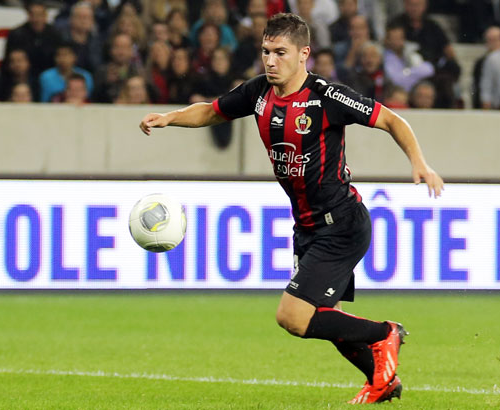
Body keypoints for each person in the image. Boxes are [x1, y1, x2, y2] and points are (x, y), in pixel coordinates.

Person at [139, 13, 443, 404]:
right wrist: (170, 118)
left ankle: (385, 333)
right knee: (327, 318)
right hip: (308, 227)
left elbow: (390, 119)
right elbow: (213, 110)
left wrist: (419, 163)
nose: (270, 60)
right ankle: (382, 380)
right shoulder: (258, 93)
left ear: (303, 54)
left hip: (341, 224)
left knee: (293, 316)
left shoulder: (327, 96)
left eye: (280, 52)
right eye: (266, 51)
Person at [5, 1, 63, 78]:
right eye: (33, 15)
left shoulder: (55, 34)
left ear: (45, 15)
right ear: (28, 15)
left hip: (49, 75)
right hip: (24, 76)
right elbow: (8, 60)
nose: (36, 19)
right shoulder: (16, 34)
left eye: (40, 15)